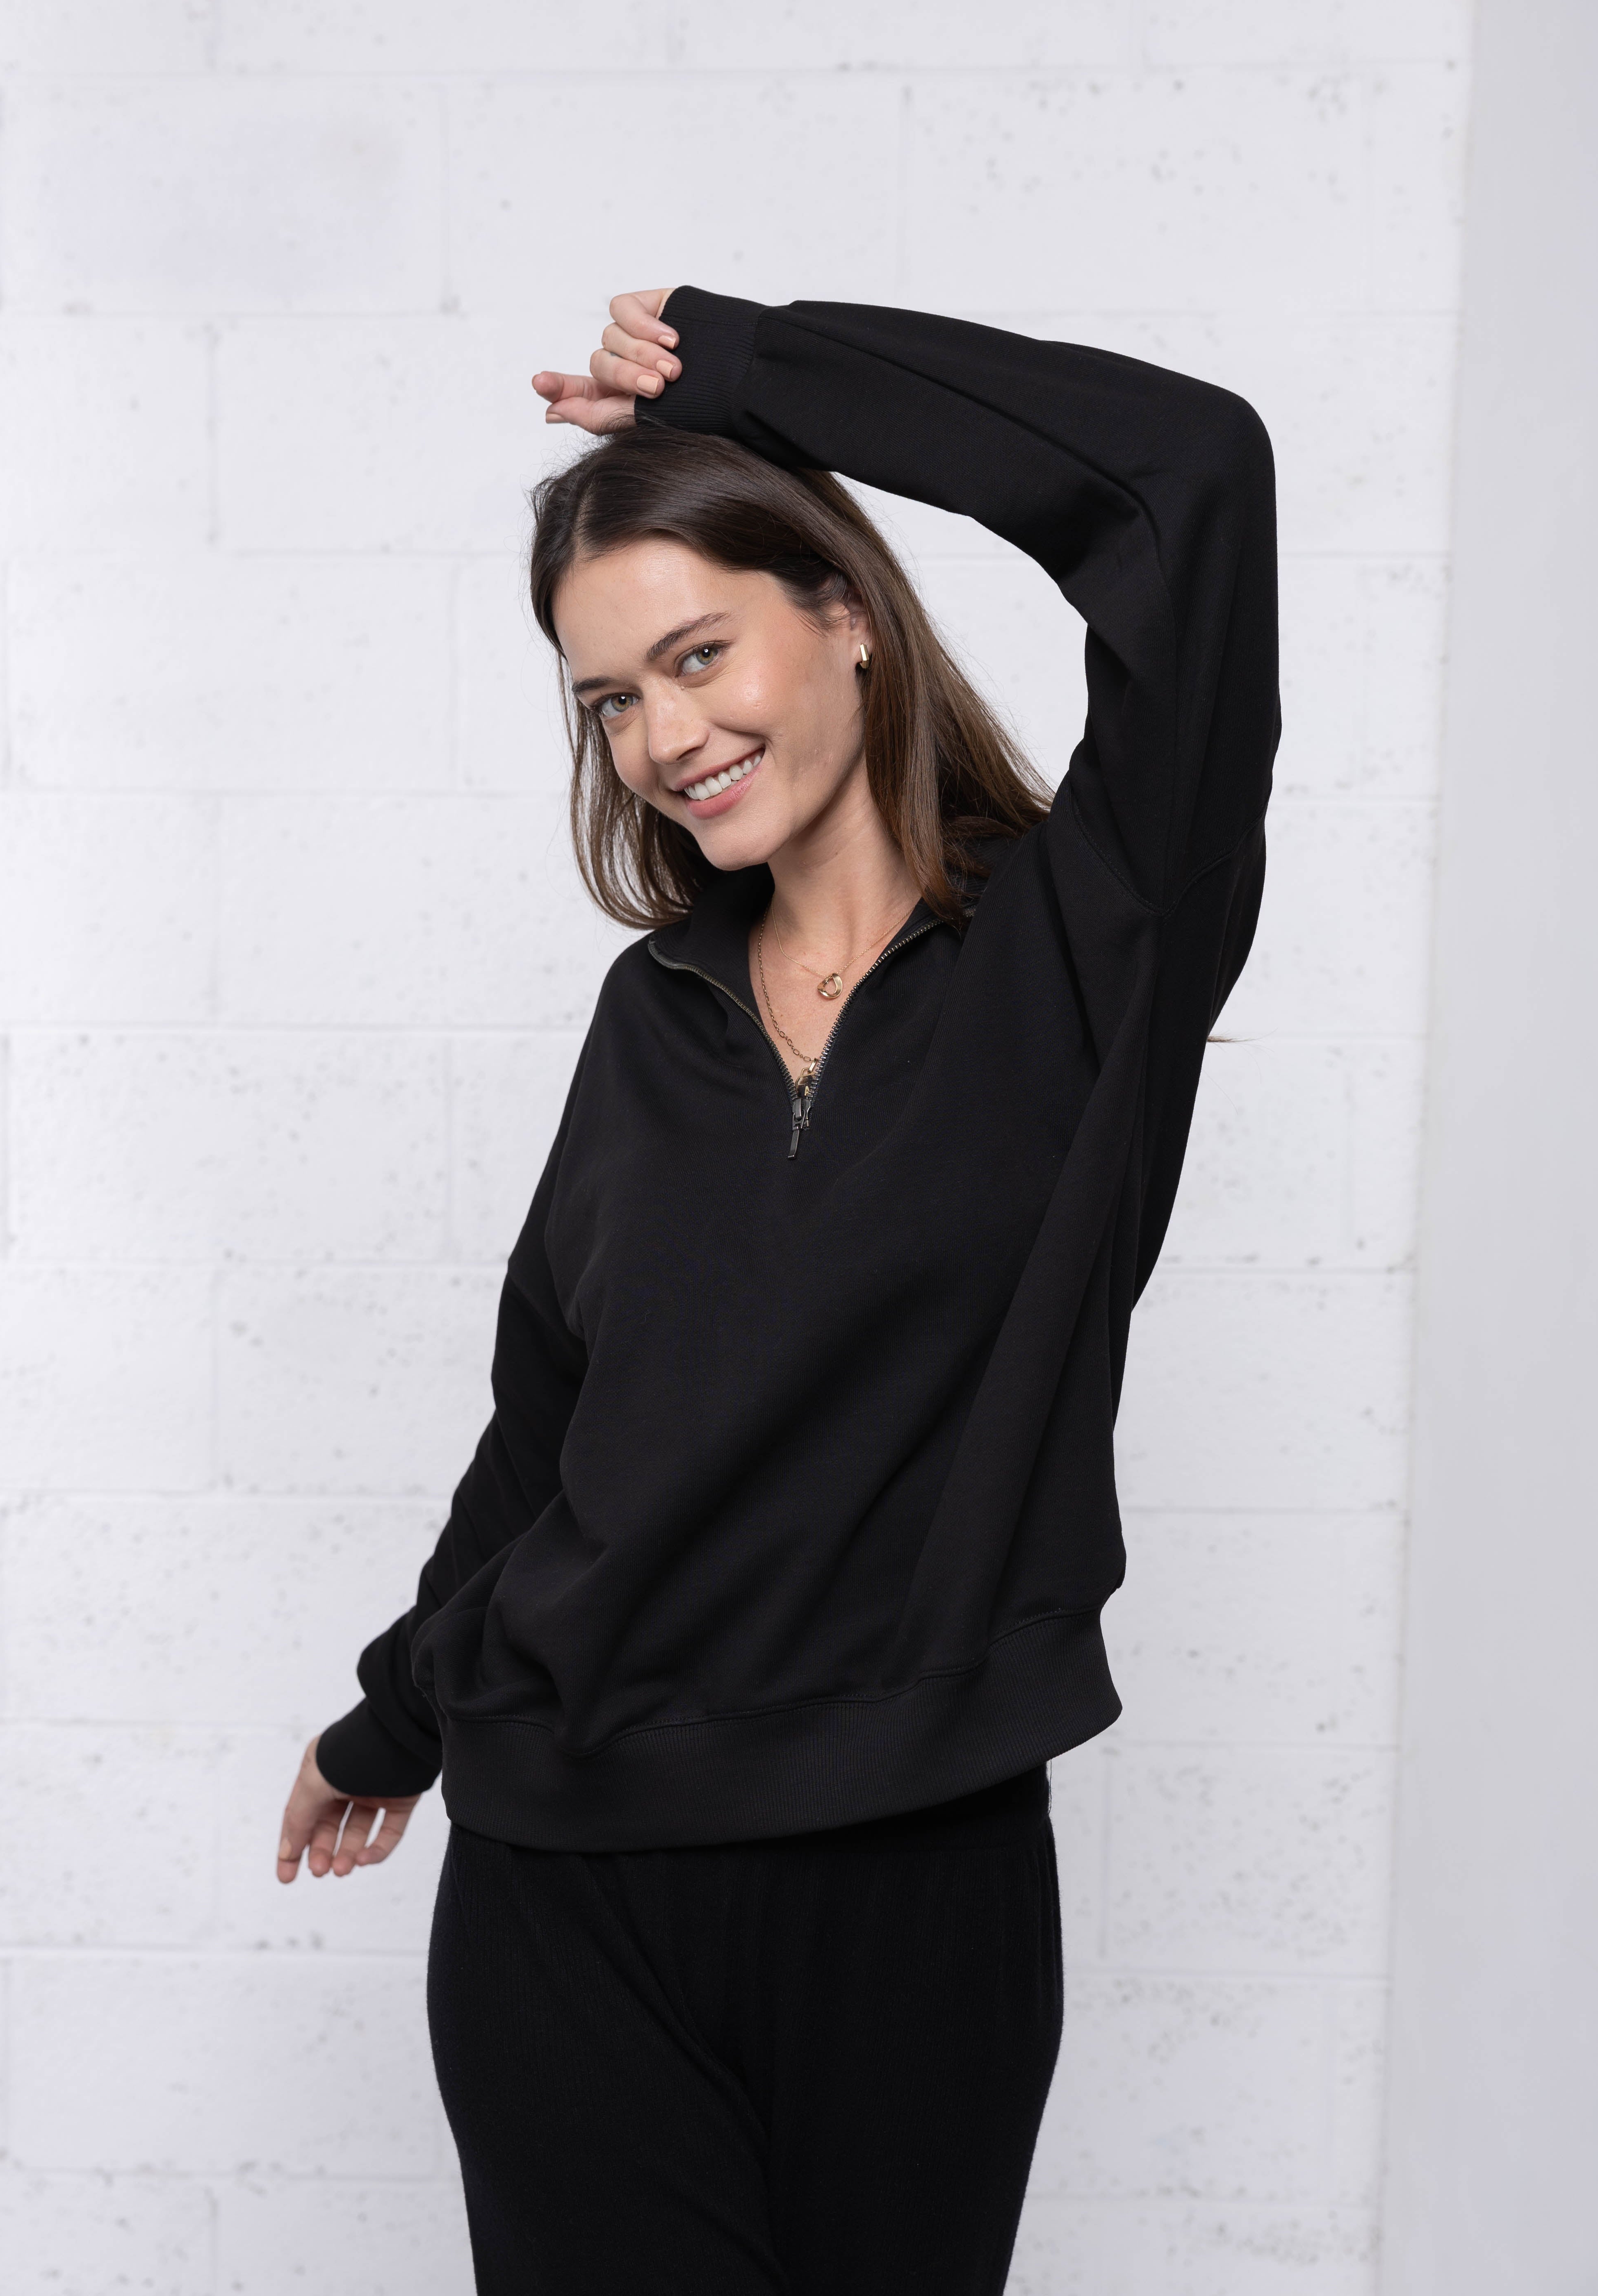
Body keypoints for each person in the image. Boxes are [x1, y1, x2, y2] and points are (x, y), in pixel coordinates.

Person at [276, 283, 1278, 2294]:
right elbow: (553, 1433)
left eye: (697, 653)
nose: (664, 738)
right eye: (609, 700)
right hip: (565, 1886)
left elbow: (1189, 474)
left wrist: (756, 375)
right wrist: (394, 1711)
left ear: (846, 609)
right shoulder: (651, 1014)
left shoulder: (1091, 946)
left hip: (917, 1882)